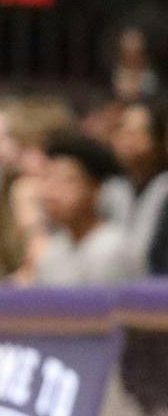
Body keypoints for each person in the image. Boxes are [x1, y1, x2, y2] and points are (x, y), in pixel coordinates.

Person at [31, 131, 137, 286]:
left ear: (95, 189)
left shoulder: (111, 249)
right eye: (47, 178)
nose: (51, 192)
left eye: (66, 180)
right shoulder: (53, 250)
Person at [103, 100, 168, 271]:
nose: (127, 138)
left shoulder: (163, 189)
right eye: (122, 130)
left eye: (138, 131)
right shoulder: (110, 189)